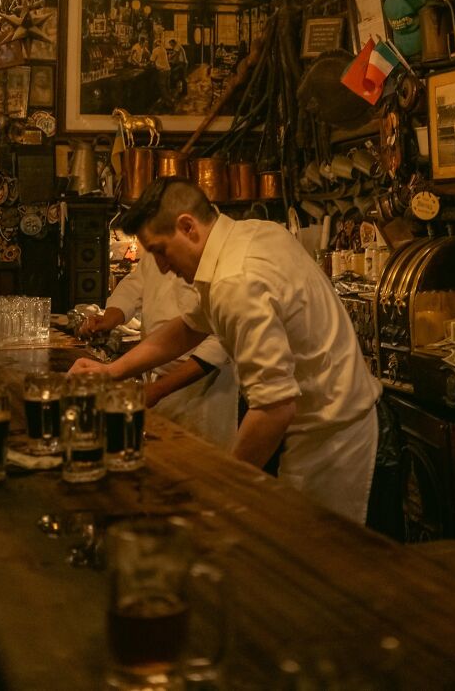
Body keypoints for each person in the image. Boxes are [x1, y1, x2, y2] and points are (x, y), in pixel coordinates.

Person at [71, 179, 381, 524]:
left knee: (315, 557)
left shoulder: (236, 281)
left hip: (332, 429)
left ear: (187, 226)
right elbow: (189, 327)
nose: (160, 266)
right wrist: (112, 372)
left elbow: (274, 409)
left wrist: (221, 486)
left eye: (160, 250)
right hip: (317, 417)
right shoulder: (249, 235)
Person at [79, 249, 238, 450]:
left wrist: (159, 389)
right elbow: (134, 285)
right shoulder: (159, 246)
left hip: (202, 388)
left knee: (200, 462)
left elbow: (220, 339)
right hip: (152, 380)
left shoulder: (226, 259)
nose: (163, 266)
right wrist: (110, 317)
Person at [150, 37, 173, 108]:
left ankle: (170, 101)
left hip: (162, 71)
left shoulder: (155, 50)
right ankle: (167, 103)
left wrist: (152, 64)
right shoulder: (163, 49)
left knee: (162, 88)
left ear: (155, 44)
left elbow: (152, 60)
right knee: (167, 87)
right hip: (168, 70)